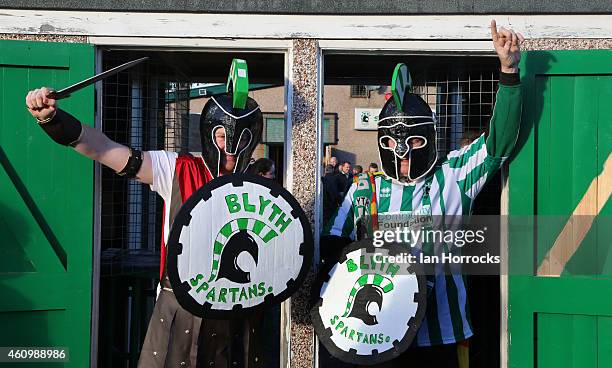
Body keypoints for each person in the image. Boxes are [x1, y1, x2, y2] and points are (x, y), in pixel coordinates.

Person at [25, 68, 266, 367]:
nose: (229, 148)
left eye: (241, 138)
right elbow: (104, 149)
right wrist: (52, 119)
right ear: (209, 133)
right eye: (221, 136)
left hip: (237, 308)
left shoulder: (262, 190)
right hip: (180, 303)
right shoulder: (178, 169)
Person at [321, 20, 523, 367]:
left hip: (442, 335)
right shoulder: (363, 188)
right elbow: (332, 248)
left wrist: (508, 71)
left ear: (428, 139)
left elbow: (498, 144)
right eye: (392, 145)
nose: (403, 156)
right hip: (377, 334)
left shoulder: (454, 175)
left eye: (413, 142)